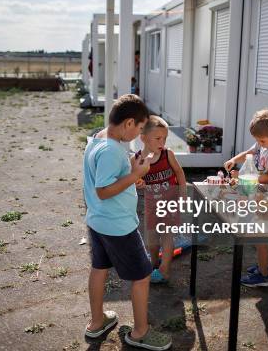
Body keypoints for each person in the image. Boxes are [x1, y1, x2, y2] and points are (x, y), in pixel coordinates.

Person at [83, 94, 172, 350]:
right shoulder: (112, 149)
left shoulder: (100, 138)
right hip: (118, 225)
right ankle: (140, 333)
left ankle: (97, 322)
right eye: (139, 129)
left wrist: (131, 172)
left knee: (100, 268)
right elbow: (103, 189)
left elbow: (109, 177)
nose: (137, 136)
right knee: (143, 276)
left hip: (98, 221)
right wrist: (134, 175)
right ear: (129, 123)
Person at [224, 109, 268, 287]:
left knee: (260, 236)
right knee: (258, 234)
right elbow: (250, 153)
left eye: (262, 141)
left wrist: (244, 177)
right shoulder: (265, 142)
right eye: (257, 140)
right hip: (259, 194)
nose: (259, 144)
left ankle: (263, 276)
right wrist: (234, 160)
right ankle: (267, 267)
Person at [135, 116, 187, 284]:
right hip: (151, 205)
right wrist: (138, 183)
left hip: (170, 202)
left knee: (167, 235)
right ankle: (153, 262)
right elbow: (135, 180)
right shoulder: (137, 160)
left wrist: (183, 192)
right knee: (151, 238)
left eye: (164, 138)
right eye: (158, 138)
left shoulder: (167, 154)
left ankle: (164, 269)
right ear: (143, 138)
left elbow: (179, 172)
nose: (162, 142)